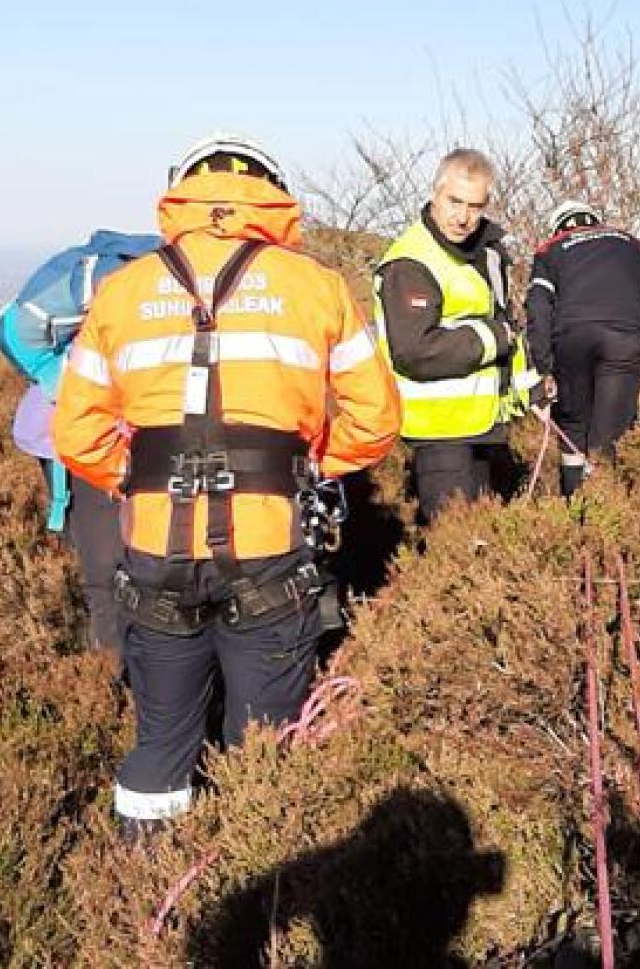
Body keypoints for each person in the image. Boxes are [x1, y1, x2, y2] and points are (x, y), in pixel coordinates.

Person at [52, 134, 401, 836]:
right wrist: (305, 470)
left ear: (182, 192)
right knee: (264, 742)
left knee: (160, 740)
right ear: (271, 193)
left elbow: (77, 433)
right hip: (269, 551)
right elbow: (376, 419)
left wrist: (138, 480)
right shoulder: (317, 286)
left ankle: (146, 878)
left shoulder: (123, 291)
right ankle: (256, 870)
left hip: (155, 551)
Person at [0, 230, 162, 657]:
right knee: (119, 569)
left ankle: (114, 670)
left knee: (106, 569)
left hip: (70, 437)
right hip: (97, 437)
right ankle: (119, 674)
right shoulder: (156, 280)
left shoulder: (127, 277)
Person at [372, 148, 542, 524]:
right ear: (434, 194)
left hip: (486, 430)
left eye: (475, 206)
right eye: (454, 201)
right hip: (440, 434)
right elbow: (415, 351)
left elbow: (507, 331)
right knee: (455, 544)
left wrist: (530, 390)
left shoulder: (488, 254)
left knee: (484, 544)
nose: (463, 217)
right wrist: (492, 337)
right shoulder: (412, 261)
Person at [524, 201, 640, 495]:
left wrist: (542, 368)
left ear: (558, 228)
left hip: (571, 341)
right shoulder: (635, 246)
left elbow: (538, 310)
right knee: (607, 439)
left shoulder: (550, 249)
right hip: (624, 341)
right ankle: (603, 510)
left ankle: (573, 508)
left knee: (572, 431)